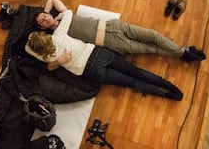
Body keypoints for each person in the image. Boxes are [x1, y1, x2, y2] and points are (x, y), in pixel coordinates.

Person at [25, 9, 183, 101]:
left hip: (90, 71)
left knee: (131, 83)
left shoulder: (42, 56)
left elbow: (29, 51)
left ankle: (168, 94)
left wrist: (60, 60)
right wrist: (54, 19)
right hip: (97, 53)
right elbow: (68, 12)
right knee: (135, 71)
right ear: (43, 33)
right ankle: (169, 85)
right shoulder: (58, 34)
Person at [34, 0, 206, 62]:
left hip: (114, 26)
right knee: (150, 49)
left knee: (153, 35)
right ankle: (184, 52)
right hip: (112, 42)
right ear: (42, 27)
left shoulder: (64, 14)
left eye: (43, 16)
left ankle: (183, 53)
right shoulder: (58, 35)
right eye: (41, 21)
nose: (44, 18)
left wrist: (45, 11)